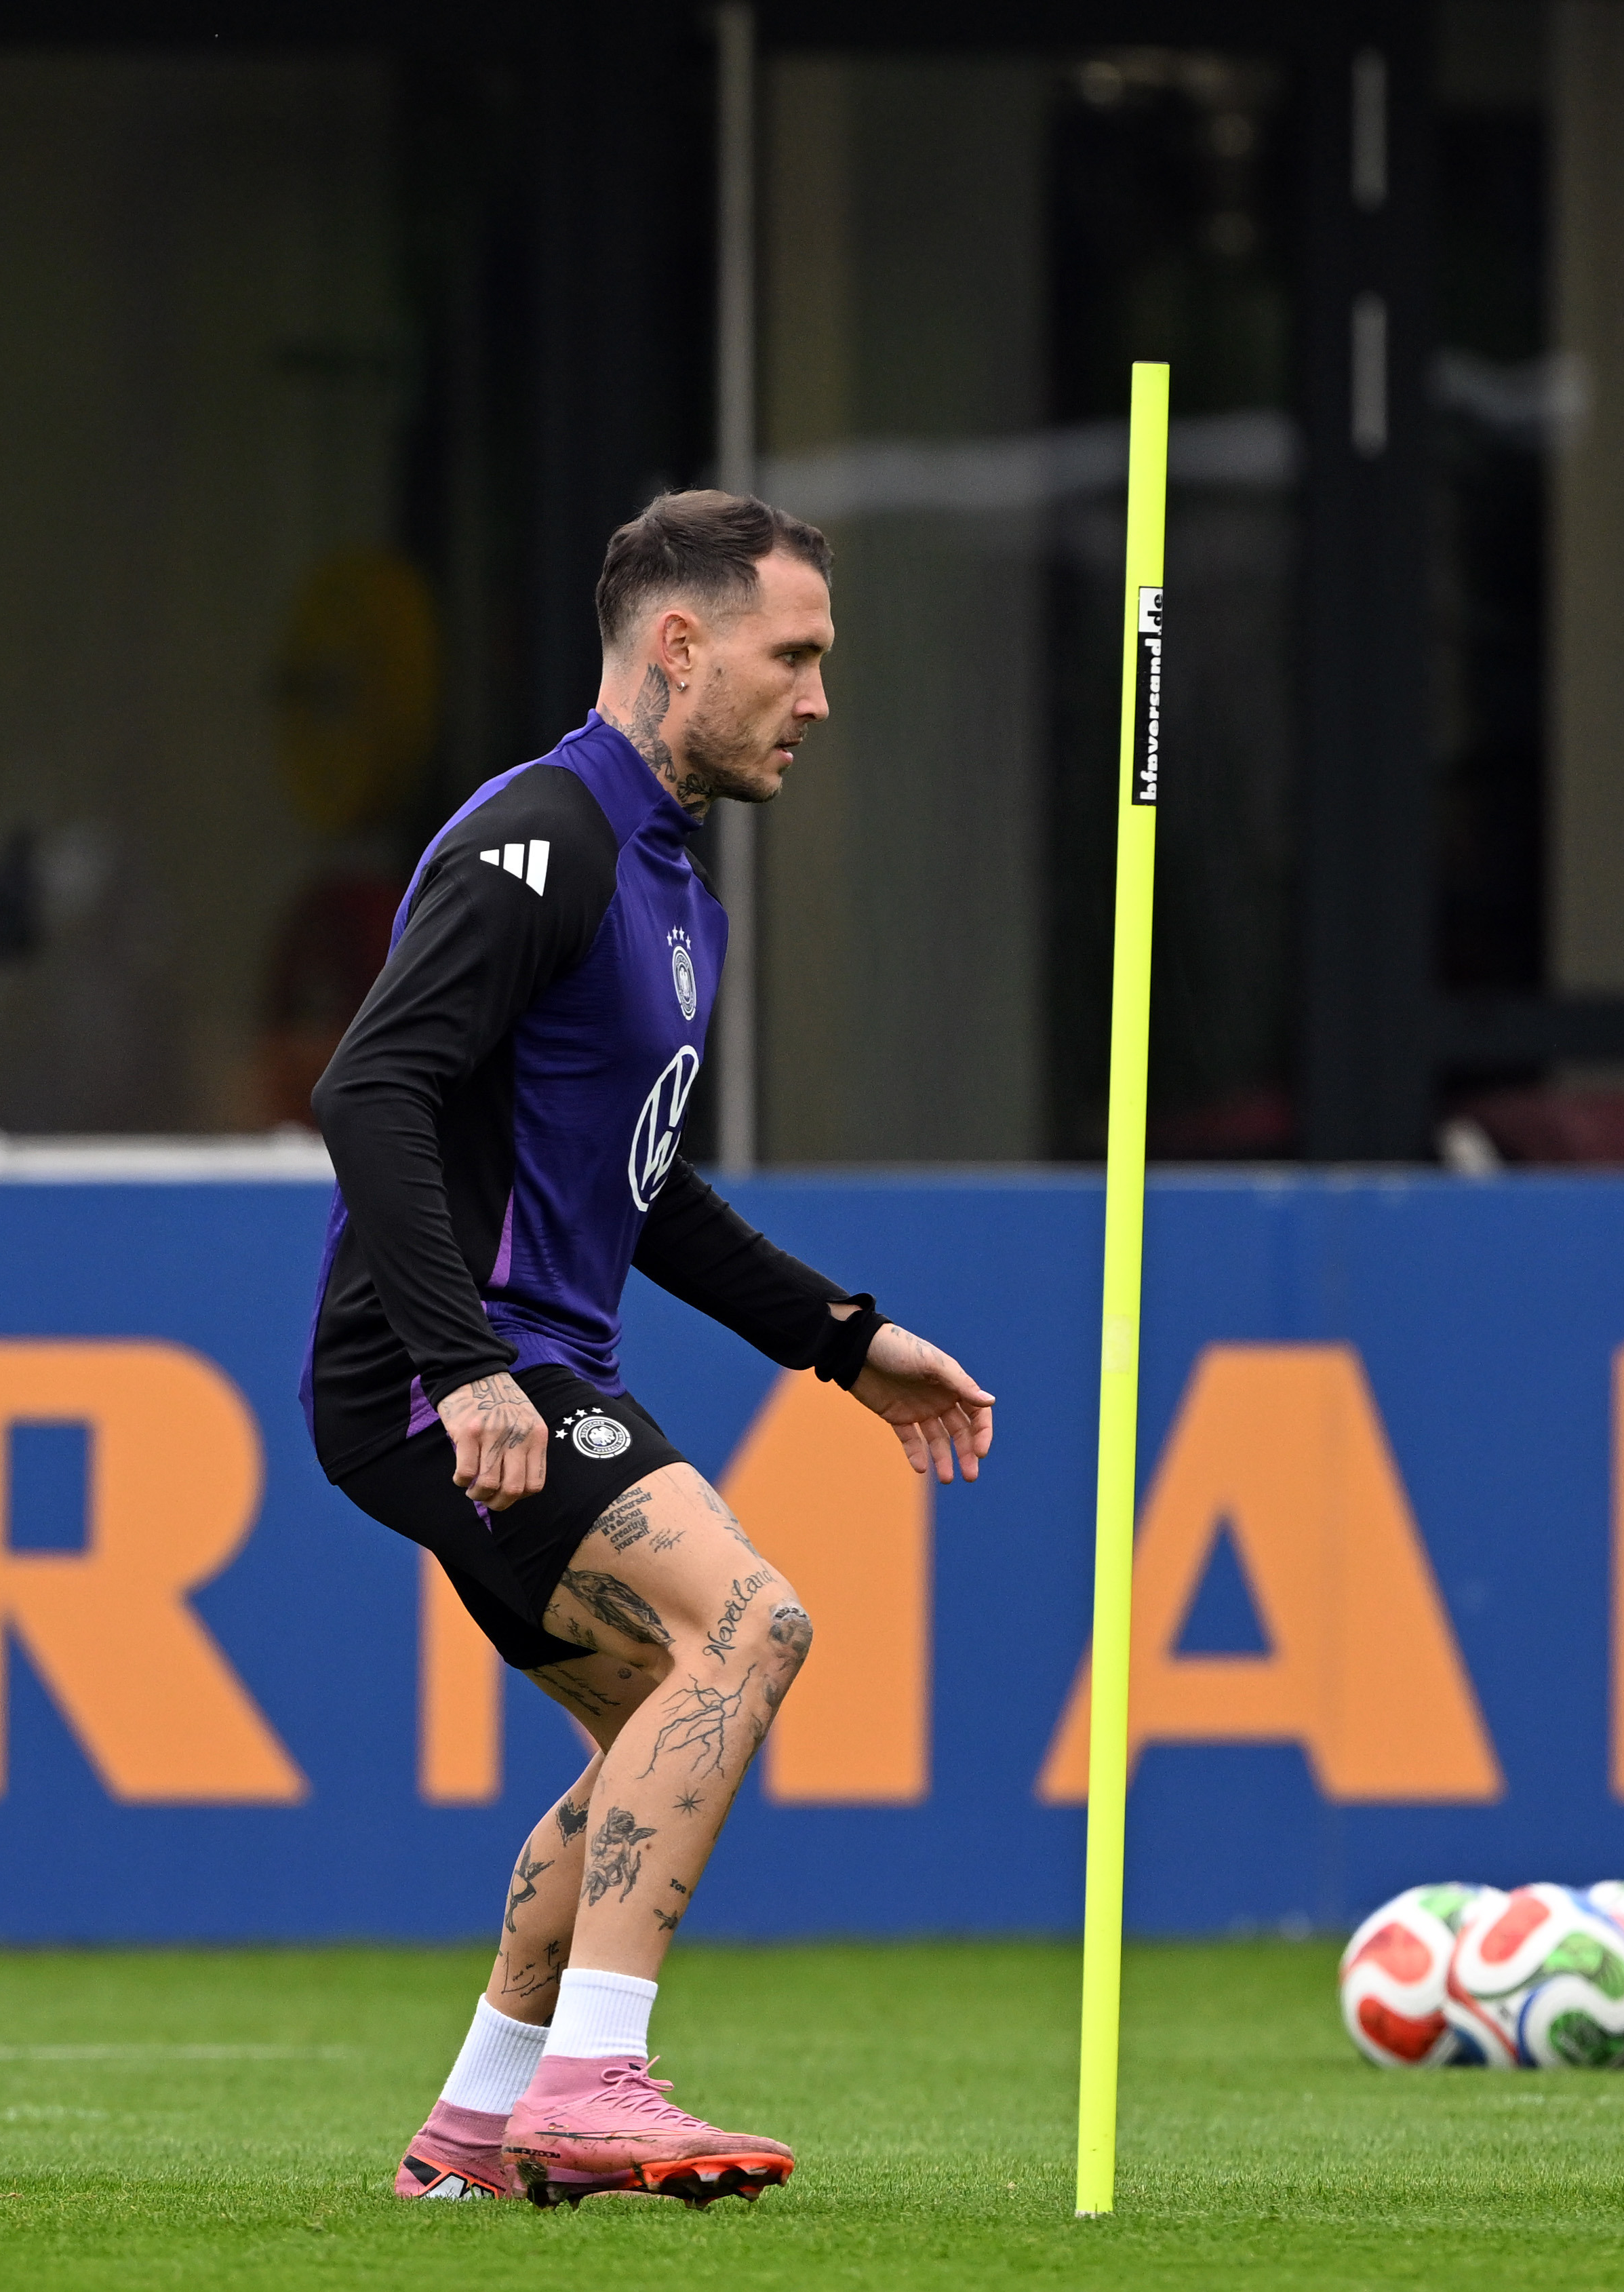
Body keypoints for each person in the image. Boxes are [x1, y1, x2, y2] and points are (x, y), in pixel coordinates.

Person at [303, 490, 997, 2207]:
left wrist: (843, 1339)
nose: (821, 696)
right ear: (679, 644)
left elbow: (647, 1186)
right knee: (752, 1620)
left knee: (650, 1742)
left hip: (524, 1363)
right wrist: (464, 1364)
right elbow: (368, 1089)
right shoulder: (541, 837)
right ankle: (597, 2082)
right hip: (445, 1368)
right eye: (798, 653)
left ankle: (473, 2130)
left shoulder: (679, 885)